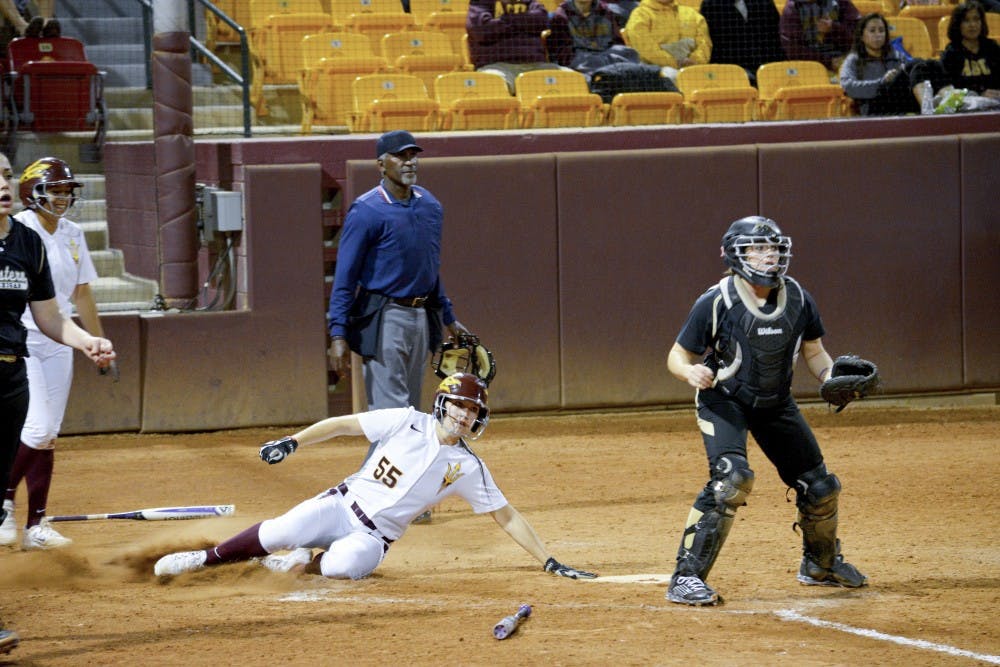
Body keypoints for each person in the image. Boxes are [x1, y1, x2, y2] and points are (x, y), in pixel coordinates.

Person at [153, 373, 598, 582]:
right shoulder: (406, 420)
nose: (465, 416)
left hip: (374, 538)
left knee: (342, 567)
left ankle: (302, 560)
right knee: (280, 530)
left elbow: (506, 516)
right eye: (460, 406)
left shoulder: (467, 467)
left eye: (473, 411)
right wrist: (294, 441)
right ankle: (206, 559)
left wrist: (548, 559)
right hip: (341, 504)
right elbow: (344, 424)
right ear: (443, 403)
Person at [663, 216, 867, 606]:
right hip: (725, 400)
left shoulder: (800, 298)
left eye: (773, 249)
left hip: (775, 402)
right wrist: (690, 371)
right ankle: (686, 578)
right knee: (730, 480)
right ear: (735, 255)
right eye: (758, 248)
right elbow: (677, 354)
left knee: (820, 486)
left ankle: (820, 565)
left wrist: (829, 379)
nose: (768, 256)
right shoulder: (717, 300)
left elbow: (815, 352)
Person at [0, 152, 114, 652]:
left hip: (21, 363)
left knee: (45, 432)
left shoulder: (33, 241)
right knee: (38, 430)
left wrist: (90, 340)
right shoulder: (27, 228)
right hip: (21, 355)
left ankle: (32, 521)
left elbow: (56, 310)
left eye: (4, 173)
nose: (1, 182)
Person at [547, 0, 678, 97]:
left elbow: (617, 42)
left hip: (608, 56)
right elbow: (561, 52)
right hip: (583, 60)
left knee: (628, 56)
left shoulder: (606, 12)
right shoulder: (560, 16)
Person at [909, 2, 1000, 110]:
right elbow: (949, 86)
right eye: (966, 20)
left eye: (976, 19)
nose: (972, 25)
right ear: (958, 24)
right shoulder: (952, 52)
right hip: (966, 103)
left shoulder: (992, 47)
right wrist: (980, 92)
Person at [466, 0, 567, 94]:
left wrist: (504, 22)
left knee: (575, 80)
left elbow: (542, 21)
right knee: (492, 87)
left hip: (538, 66)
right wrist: (523, 21)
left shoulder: (529, 1)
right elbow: (482, 31)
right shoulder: (480, 3)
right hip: (497, 67)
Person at [840, 13, 920, 115]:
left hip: (899, 107)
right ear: (862, 36)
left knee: (920, 65)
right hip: (872, 109)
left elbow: (912, 72)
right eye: (872, 31)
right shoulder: (853, 60)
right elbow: (848, 86)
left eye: (881, 31)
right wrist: (882, 83)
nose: (878, 35)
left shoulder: (897, 56)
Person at [700, 0, 785, 86]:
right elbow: (713, 46)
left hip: (766, 72)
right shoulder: (710, 4)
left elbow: (775, 41)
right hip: (730, 74)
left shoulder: (764, 2)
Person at [624, 0, 712, 77]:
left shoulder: (692, 15)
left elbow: (704, 44)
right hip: (654, 69)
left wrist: (695, 61)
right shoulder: (640, 15)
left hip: (693, 68)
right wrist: (676, 62)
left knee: (713, 76)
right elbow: (644, 48)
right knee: (672, 75)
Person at [780, 0, 860, 73]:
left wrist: (834, 29)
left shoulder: (842, 3)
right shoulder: (791, 9)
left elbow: (860, 37)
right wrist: (828, 62)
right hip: (810, 67)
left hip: (845, 60)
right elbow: (793, 50)